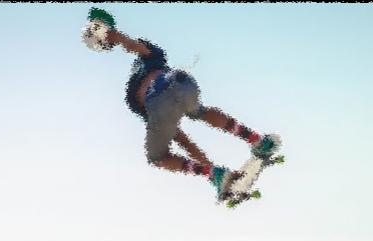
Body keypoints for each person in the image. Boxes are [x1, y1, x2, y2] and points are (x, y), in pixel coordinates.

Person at [83, 8, 282, 204]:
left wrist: (109, 33)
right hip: (182, 82)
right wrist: (214, 170)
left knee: (157, 157)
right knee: (199, 111)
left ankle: (213, 173)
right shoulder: (153, 61)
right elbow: (179, 137)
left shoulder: (136, 90)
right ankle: (257, 141)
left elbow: (133, 45)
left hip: (157, 100)